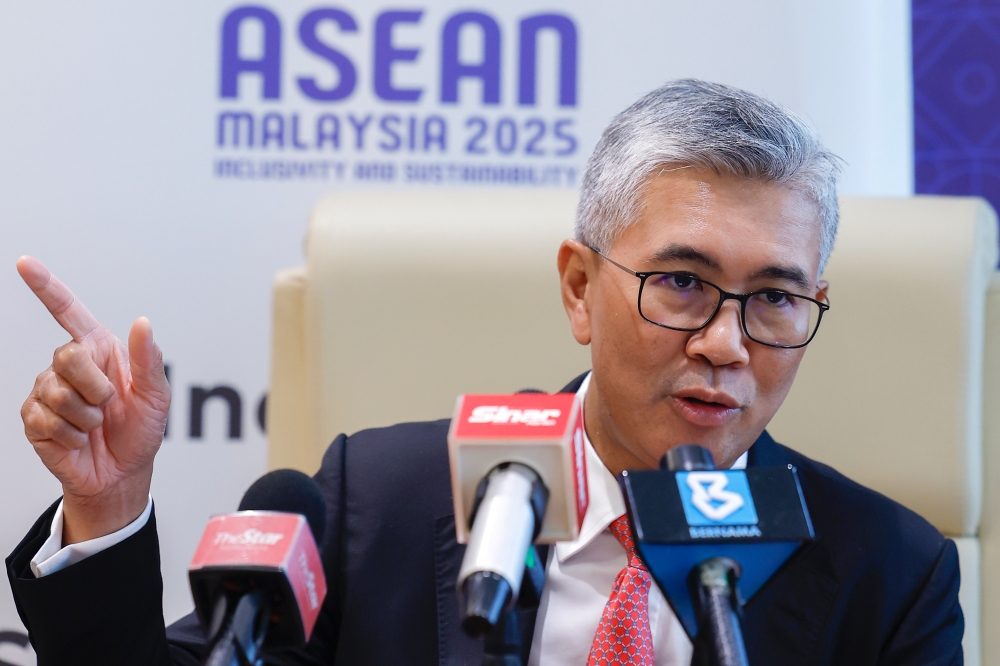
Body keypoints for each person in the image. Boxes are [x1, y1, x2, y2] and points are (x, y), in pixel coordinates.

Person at [6, 80, 962, 665]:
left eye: (776, 300)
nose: (726, 341)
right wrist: (112, 503)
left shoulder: (891, 573)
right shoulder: (373, 504)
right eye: (682, 283)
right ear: (580, 288)